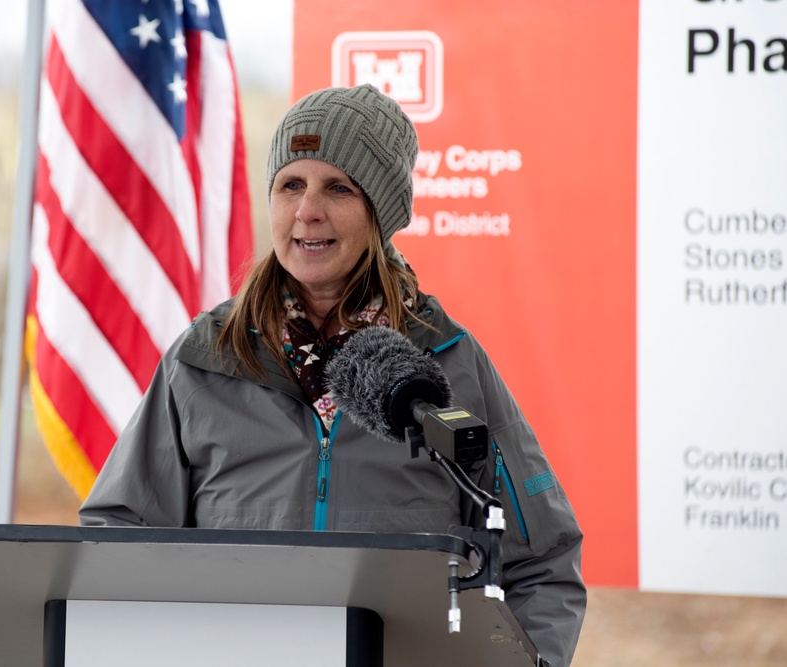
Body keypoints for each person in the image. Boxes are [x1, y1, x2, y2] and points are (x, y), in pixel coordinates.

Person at [79, 83, 586, 665]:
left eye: (337, 188)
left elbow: (542, 561)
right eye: (290, 185)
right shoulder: (202, 360)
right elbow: (119, 538)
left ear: (380, 212)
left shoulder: (448, 361)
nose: (307, 211)